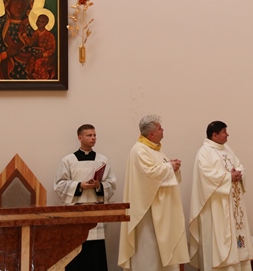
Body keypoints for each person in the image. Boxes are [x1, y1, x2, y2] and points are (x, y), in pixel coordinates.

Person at [118, 115, 189, 271]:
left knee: (161, 248)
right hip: (147, 210)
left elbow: (158, 171)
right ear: (151, 134)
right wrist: (169, 167)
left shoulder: (155, 149)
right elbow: (148, 175)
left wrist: (172, 166)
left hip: (161, 209)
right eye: (159, 128)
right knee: (149, 248)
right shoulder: (139, 150)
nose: (163, 130)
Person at [189, 121, 253, 271]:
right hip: (216, 207)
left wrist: (239, 173)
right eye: (224, 132)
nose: (227, 134)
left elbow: (239, 165)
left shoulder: (227, 149)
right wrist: (228, 177)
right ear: (214, 135)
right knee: (218, 239)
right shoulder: (204, 152)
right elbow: (206, 176)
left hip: (233, 204)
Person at [54, 124, 116, 271]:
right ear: (80, 138)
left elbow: (111, 184)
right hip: (76, 211)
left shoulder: (102, 160)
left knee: (95, 253)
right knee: (76, 250)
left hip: (95, 212)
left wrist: (98, 186)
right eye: (89, 135)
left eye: (94, 135)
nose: (93, 138)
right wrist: (79, 186)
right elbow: (59, 185)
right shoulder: (68, 160)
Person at [25, 13, 57, 79]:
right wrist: (24, 36)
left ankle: (40, 78)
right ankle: (30, 76)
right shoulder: (36, 33)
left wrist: (43, 54)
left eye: (42, 22)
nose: (39, 23)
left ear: (46, 23)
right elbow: (31, 43)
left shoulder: (49, 35)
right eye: (38, 20)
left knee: (39, 62)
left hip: (46, 55)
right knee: (32, 60)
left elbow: (52, 48)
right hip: (37, 53)